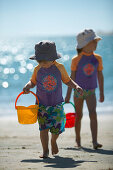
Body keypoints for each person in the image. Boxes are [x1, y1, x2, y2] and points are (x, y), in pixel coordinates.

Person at [23, 40, 83, 158]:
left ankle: (53, 141)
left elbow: (67, 80)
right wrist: (28, 86)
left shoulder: (59, 67)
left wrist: (76, 86)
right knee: (43, 129)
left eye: (44, 61)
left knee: (57, 128)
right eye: (39, 61)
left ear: (53, 58)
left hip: (57, 105)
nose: (42, 63)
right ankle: (45, 150)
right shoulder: (37, 69)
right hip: (42, 105)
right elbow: (33, 81)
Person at [65, 29, 104, 149]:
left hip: (91, 91)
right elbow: (72, 78)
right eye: (93, 41)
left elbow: (100, 76)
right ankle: (78, 140)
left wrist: (102, 92)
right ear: (84, 44)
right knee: (79, 115)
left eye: (96, 41)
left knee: (93, 114)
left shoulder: (97, 58)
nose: (96, 43)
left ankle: (95, 141)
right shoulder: (76, 60)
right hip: (78, 92)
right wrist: (67, 95)